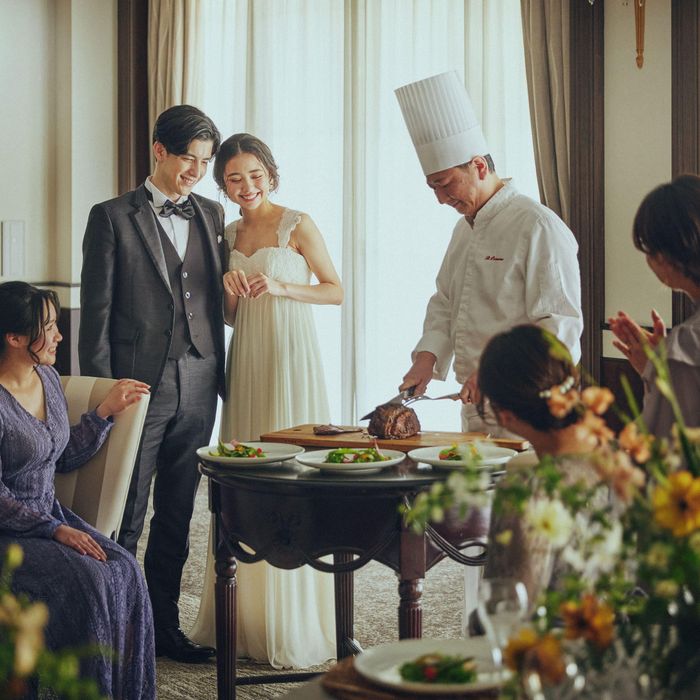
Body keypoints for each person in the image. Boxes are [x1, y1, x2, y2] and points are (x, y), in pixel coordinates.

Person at [79, 105, 227, 663]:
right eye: (188, 157)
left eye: (205, 162)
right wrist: (102, 392)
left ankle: (164, 625)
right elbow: (96, 314)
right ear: (159, 150)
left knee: (179, 508)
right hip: (138, 384)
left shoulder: (211, 213)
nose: (196, 171)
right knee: (126, 508)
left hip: (200, 377)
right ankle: (116, 629)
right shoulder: (111, 216)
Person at [189, 132, 342, 668]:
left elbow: (335, 290)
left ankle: (295, 618)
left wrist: (281, 288)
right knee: (246, 475)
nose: (246, 185)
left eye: (254, 175)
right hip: (248, 357)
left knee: (291, 477)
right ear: (223, 185)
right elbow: (230, 316)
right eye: (234, 178)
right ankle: (247, 618)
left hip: (290, 356)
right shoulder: (227, 232)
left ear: (271, 175)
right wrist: (232, 291)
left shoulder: (298, 224)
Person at [394, 71, 583, 436]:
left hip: (529, 405)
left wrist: (498, 373)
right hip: (474, 405)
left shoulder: (538, 225)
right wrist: (426, 358)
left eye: (445, 184)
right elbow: (446, 302)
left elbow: (559, 326)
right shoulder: (463, 230)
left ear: (479, 166)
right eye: (433, 188)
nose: (441, 199)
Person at [0, 281, 155, 698]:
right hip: (12, 535)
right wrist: (55, 531)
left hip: (51, 516)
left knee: (126, 569)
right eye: (49, 327)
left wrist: (103, 413)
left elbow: (60, 456)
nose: (59, 335)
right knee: (91, 581)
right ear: (14, 338)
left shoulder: (47, 378)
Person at [476, 325, 603, 605]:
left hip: (560, 632)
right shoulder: (624, 462)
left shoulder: (527, 492)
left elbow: (509, 608)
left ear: (505, 416)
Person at [609, 174, 700, 438]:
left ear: (663, 257)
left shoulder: (687, 343)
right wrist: (658, 368)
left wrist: (661, 370)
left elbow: (661, 443)